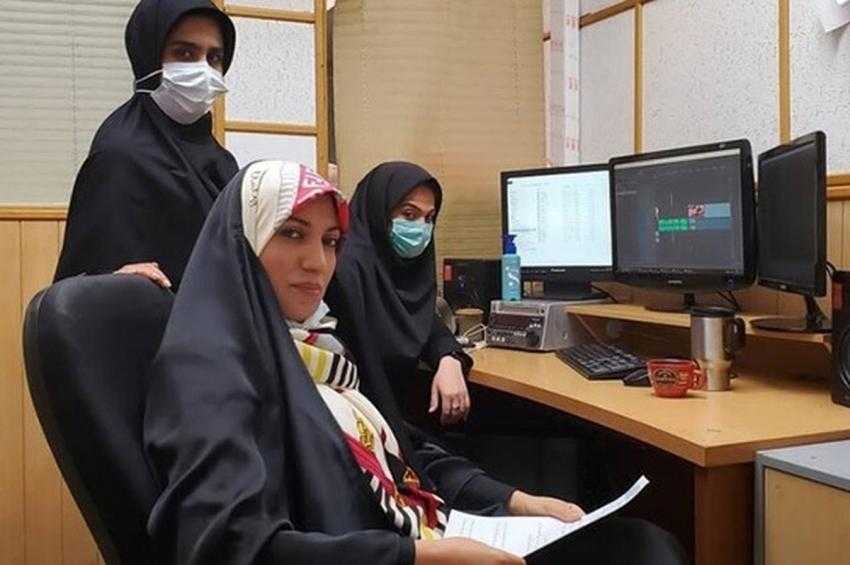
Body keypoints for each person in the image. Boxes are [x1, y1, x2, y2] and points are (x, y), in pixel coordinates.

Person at [143, 160, 686, 564]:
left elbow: (399, 451)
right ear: (242, 241)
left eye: (330, 241)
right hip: (394, 547)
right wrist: (418, 557)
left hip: (416, 525)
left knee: (644, 543)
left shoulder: (314, 349)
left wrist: (515, 501)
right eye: (290, 233)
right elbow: (231, 548)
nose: (318, 263)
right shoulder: (209, 370)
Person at [54, 0, 239, 290]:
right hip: (153, 318)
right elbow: (88, 287)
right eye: (185, 53)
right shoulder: (120, 155)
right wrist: (115, 280)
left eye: (214, 57)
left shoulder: (219, 158)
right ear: (148, 56)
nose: (203, 70)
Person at [326, 162, 471, 426]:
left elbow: (428, 325)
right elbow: (366, 376)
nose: (421, 228)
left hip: (396, 419)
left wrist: (450, 359)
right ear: (378, 211)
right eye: (408, 214)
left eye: (429, 218)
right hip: (359, 424)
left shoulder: (405, 272)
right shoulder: (345, 271)